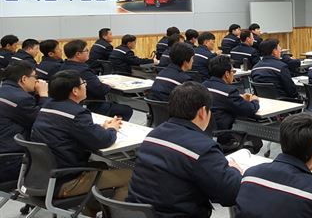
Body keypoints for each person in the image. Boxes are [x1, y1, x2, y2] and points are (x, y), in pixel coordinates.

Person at [127, 82, 243, 218]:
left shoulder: (152, 136)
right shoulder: (202, 148)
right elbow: (230, 194)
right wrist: (234, 170)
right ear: (202, 112)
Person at [30, 70, 131, 215]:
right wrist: (112, 129)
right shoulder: (76, 113)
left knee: (101, 165)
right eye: (84, 83)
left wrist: (102, 128)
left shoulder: (47, 106)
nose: (86, 86)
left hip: (39, 178)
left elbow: (73, 130)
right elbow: (102, 141)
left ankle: (90, 210)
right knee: (130, 176)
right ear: (75, 91)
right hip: (64, 182)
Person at [59, 40, 133, 120]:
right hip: (91, 104)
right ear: (78, 54)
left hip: (71, 103)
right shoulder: (83, 70)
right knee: (127, 110)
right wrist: (108, 86)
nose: (88, 52)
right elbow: (100, 90)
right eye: (86, 50)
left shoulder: (63, 66)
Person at [0, 61, 49, 183]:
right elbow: (43, 121)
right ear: (24, 79)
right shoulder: (21, 99)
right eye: (35, 77)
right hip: (11, 161)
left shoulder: (6, 92)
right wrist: (43, 95)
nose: (37, 81)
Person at [203, 56, 262, 153]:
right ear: (226, 74)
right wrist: (255, 100)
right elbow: (250, 109)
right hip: (222, 136)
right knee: (256, 141)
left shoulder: (203, 85)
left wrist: (240, 98)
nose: (233, 75)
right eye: (233, 72)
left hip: (205, 133)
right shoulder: (229, 92)